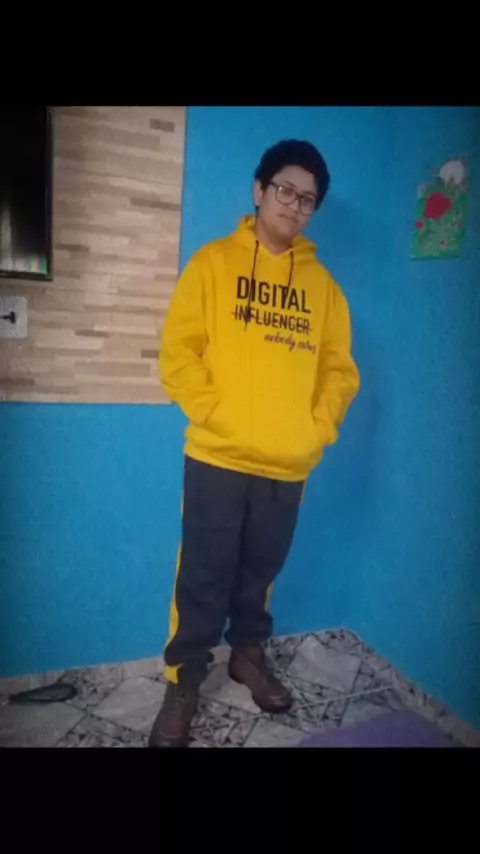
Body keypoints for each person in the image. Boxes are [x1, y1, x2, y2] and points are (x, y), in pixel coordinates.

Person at [149, 139, 360, 748]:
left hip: (287, 463)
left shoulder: (323, 288)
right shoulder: (213, 264)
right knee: (203, 575)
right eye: (286, 190)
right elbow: (178, 354)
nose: (295, 205)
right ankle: (183, 683)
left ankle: (247, 656)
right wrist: (217, 414)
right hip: (217, 455)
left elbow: (339, 371)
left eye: (308, 199)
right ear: (259, 190)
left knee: (259, 573)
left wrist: (314, 430)